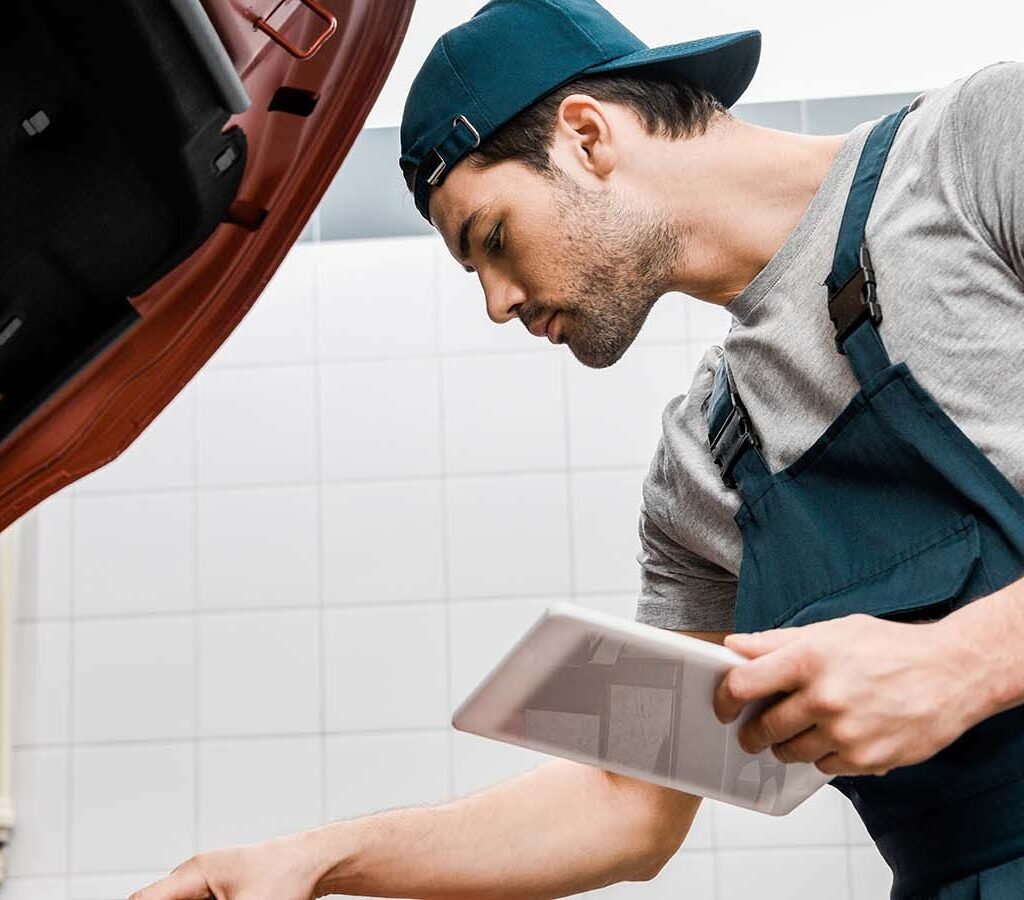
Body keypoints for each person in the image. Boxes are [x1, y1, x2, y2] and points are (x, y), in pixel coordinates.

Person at [133, 1, 1024, 898]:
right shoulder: (704, 467)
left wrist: (962, 662)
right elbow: (624, 806)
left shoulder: (975, 157)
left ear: (587, 136)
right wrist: (314, 862)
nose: (496, 303)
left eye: (491, 238)